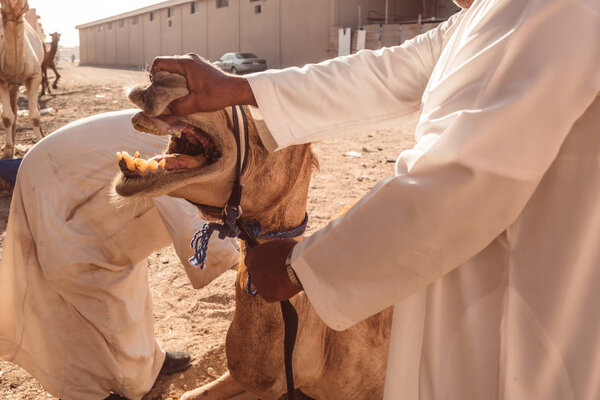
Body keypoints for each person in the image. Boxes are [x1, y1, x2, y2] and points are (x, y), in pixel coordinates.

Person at [151, 0, 600, 398]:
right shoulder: (486, 14)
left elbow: (462, 180)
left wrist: (302, 265)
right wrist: (239, 88)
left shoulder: (549, 8)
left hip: (530, 314)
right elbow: (385, 72)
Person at [0, 110, 239, 400]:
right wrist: (241, 260)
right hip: (56, 185)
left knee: (129, 284)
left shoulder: (201, 136)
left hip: (85, 187)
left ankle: (148, 364)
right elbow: (200, 237)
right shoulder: (178, 156)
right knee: (83, 289)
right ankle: (87, 393)